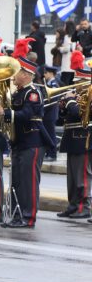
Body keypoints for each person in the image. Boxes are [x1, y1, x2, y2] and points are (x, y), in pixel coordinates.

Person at [0, 40, 52, 228]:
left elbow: (27, 115)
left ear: (25, 74)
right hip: (20, 142)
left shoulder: (32, 93)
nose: (13, 76)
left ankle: (28, 217)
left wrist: (4, 113)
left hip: (32, 142)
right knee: (18, 181)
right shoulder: (18, 93)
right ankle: (18, 214)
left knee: (28, 182)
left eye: (17, 72)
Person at [57, 52, 91, 219]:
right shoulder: (77, 97)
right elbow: (66, 116)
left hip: (83, 140)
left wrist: (70, 102)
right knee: (71, 178)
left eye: (79, 83)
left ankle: (83, 207)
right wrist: (62, 107)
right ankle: (72, 205)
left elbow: (79, 113)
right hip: (72, 139)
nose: (75, 86)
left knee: (81, 177)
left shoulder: (89, 95)